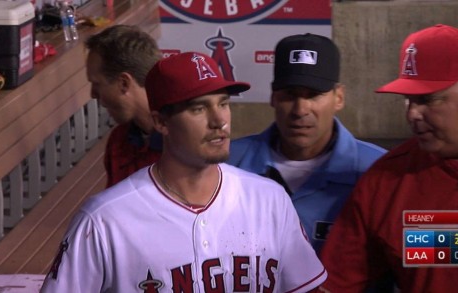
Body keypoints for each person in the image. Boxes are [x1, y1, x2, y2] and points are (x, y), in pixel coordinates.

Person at [40, 52, 327, 292]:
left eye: (223, 104)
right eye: (199, 109)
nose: (219, 121)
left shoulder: (270, 200)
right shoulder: (105, 220)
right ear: (160, 122)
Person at [320, 24, 458, 292]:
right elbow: (336, 283)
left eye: (427, 99)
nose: (412, 114)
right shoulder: (387, 179)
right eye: (408, 100)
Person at [227, 33, 387, 254]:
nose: (300, 110)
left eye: (313, 95)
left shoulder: (379, 169)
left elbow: (421, 259)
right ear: (273, 97)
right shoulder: (228, 163)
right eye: (290, 95)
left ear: (338, 97)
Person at [85, 24, 162, 187]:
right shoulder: (118, 141)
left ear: (123, 83)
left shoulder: (186, 143)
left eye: (97, 84)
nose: (93, 94)